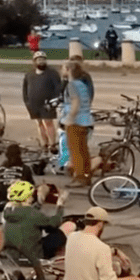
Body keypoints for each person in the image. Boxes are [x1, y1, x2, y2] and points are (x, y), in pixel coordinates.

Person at [2, 180, 72, 260]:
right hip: (35, 254)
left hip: (12, 254)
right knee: (67, 227)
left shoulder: (8, 210)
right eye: (30, 196)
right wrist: (60, 206)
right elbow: (54, 225)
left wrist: (39, 204)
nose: (32, 198)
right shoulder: (33, 214)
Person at [61, 60, 94, 188]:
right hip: (86, 121)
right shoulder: (82, 84)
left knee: (75, 151)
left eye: (63, 68)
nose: (62, 71)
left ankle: (79, 177)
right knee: (84, 149)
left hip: (76, 121)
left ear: (69, 70)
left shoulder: (72, 85)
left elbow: (75, 102)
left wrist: (70, 118)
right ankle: (86, 175)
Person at [22, 51, 62, 154]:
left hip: (48, 104)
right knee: (39, 123)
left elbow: (58, 88)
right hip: (34, 104)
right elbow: (25, 89)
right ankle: (44, 143)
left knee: (48, 123)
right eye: (39, 60)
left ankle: (52, 144)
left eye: (43, 59)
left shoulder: (52, 73)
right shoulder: (29, 74)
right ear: (34, 61)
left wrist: (54, 101)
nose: (41, 62)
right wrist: (27, 102)